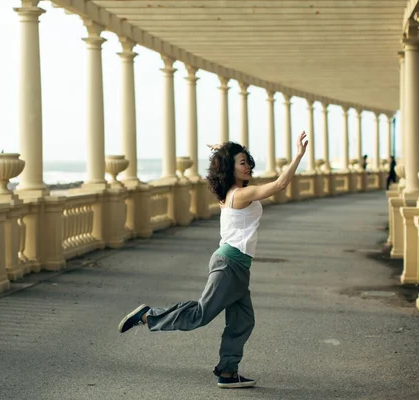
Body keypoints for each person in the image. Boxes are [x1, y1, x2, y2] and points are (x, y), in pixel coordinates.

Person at [118, 132, 309, 389]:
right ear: (230, 168)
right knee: (200, 314)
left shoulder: (233, 191)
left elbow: (254, 179)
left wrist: (222, 149)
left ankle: (228, 372)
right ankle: (147, 316)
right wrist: (298, 155)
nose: (248, 166)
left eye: (248, 161)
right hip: (229, 265)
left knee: (243, 320)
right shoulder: (239, 195)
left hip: (238, 267)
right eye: (242, 162)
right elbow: (279, 185)